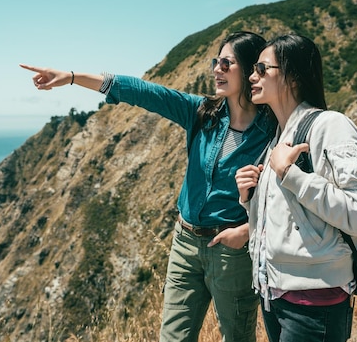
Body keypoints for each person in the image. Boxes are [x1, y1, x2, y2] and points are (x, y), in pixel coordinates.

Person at [20, 31, 276, 342]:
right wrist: (72, 77)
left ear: (250, 69)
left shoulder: (272, 130)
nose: (217, 69)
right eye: (215, 62)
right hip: (185, 243)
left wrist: (248, 231)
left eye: (227, 63)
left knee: (237, 338)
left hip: (231, 251)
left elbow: (289, 195)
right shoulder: (201, 113)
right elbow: (142, 91)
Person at [234, 34, 357, 342]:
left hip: (315, 301)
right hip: (275, 296)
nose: (251, 76)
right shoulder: (278, 136)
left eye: (262, 68)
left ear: (293, 75)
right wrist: (250, 198)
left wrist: (289, 172)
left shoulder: (331, 126)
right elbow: (294, 217)